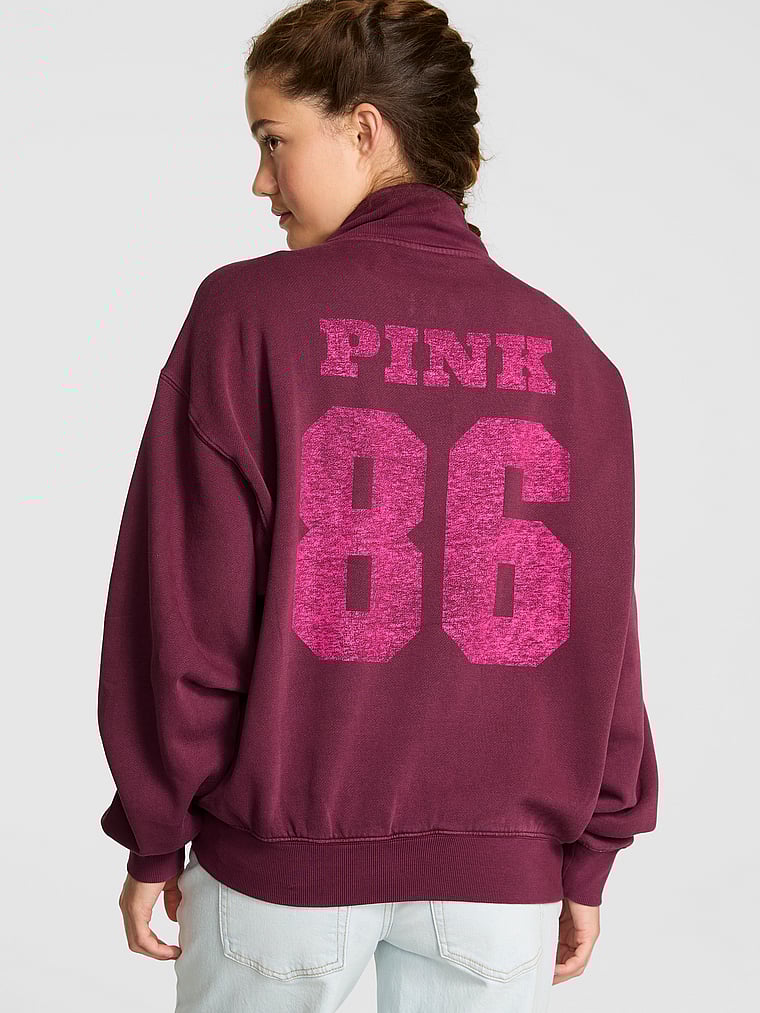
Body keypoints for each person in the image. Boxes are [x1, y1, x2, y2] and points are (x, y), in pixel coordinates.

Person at [97, 2, 659, 1010]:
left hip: (281, 870)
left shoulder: (247, 316)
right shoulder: (578, 360)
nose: (261, 180)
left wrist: (154, 830)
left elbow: (186, 614)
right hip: (499, 887)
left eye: (274, 140)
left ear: (364, 129)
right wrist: (590, 850)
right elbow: (605, 641)